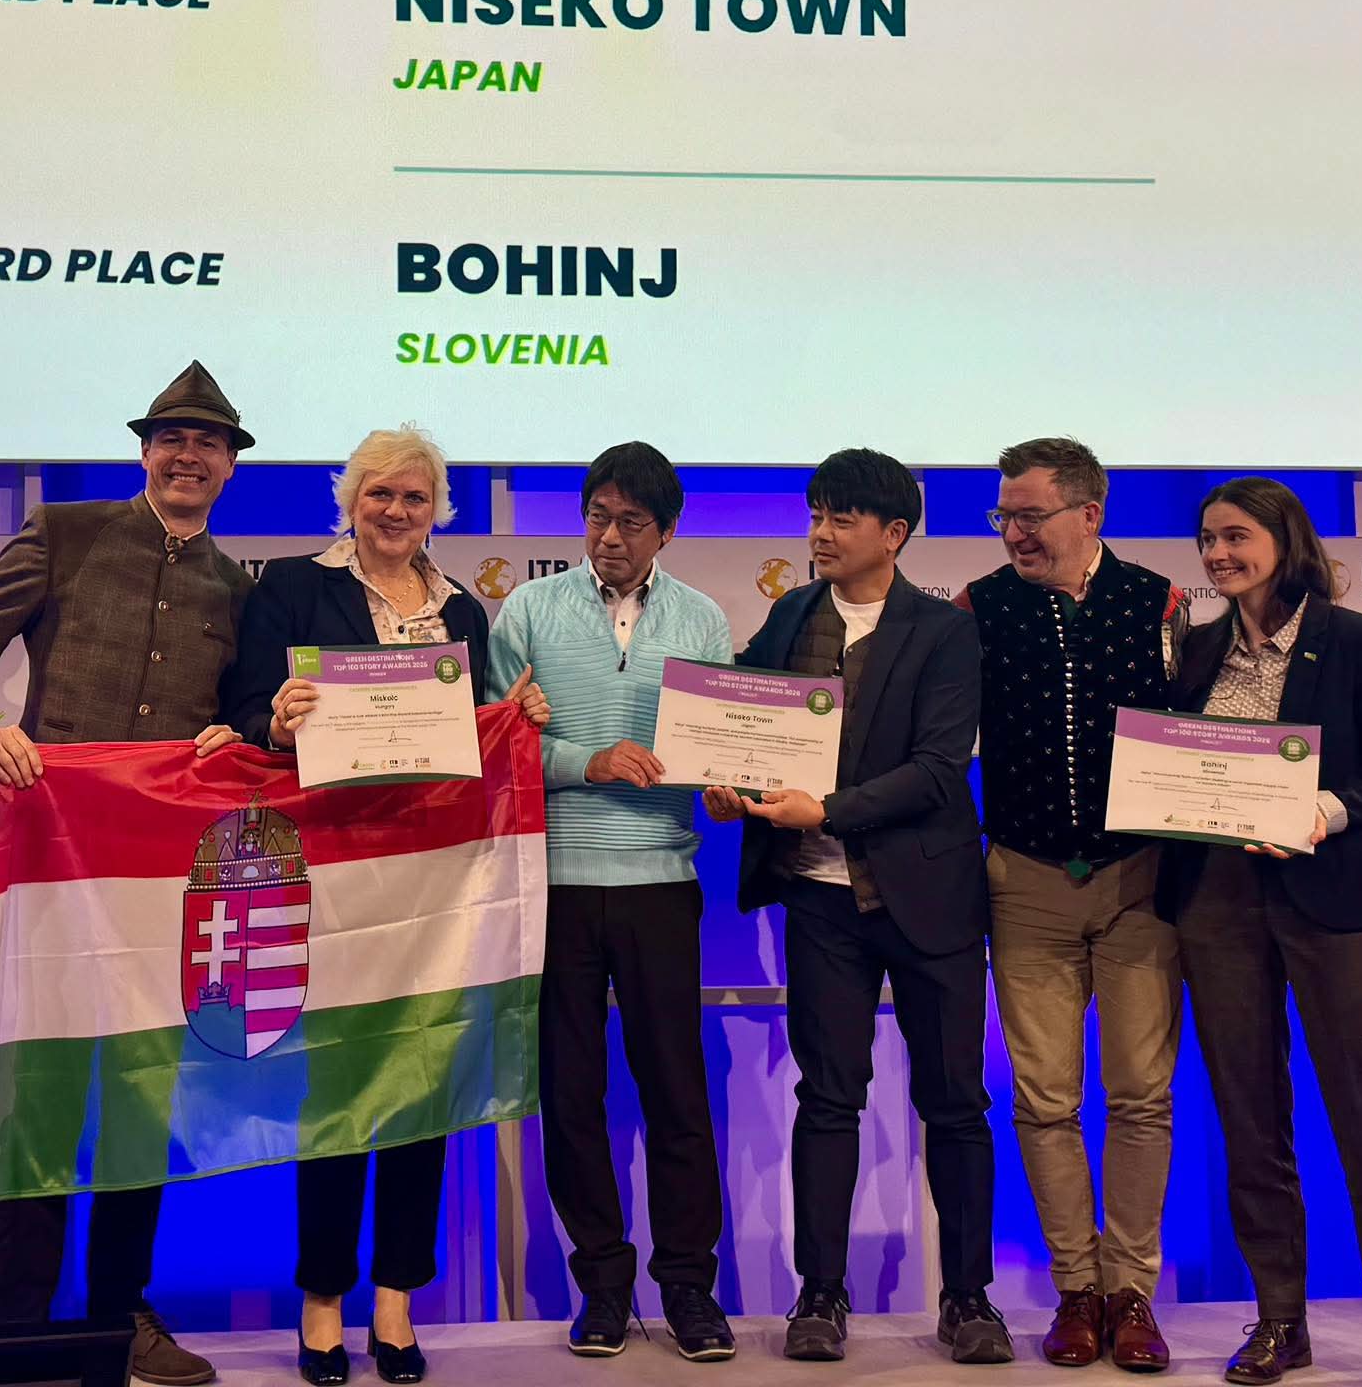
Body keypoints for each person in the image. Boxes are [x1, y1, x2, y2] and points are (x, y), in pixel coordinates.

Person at [204, 425, 549, 1387]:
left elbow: (473, 740)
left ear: (438, 510)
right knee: (338, 1090)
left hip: (435, 882)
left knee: (421, 1089)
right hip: (333, 873)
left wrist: (517, 721)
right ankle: (322, 1302)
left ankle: (396, 1299)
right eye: (379, 494)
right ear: (350, 500)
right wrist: (274, 721)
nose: (396, 512)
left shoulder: (463, 611)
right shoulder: (290, 587)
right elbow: (241, 712)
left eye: (414, 497)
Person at [0, 360, 256, 1387]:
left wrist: (235, 736)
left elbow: (248, 720)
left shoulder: (236, 586)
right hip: (48, 863)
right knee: (35, 1094)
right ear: (145, 452)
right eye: (172, 439)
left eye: (208, 443)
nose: (188, 456)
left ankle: (122, 1315)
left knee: (141, 1103)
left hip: (161, 880)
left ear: (230, 466)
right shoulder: (64, 533)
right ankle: (19, 1337)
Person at [709, 449, 1011, 1367]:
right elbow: (746, 722)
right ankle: (821, 1293)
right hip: (821, 900)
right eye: (816, 515)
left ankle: (969, 1299)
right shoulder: (790, 615)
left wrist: (829, 810)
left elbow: (937, 769)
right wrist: (731, 787)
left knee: (955, 1103)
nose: (821, 533)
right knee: (828, 1099)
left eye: (842, 518)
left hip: (929, 897)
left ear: (894, 534)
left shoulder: (944, 631)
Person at [1158, 479, 1362, 1387]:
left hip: (1338, 906)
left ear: (1284, 541)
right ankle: (1280, 1322)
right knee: (1250, 1123)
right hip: (1218, 905)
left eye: (1236, 537)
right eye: (1208, 540)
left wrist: (1326, 809)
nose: (1218, 555)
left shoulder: (1358, 639)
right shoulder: (1194, 650)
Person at [487, 442, 738, 1363]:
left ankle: (689, 1289)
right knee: (571, 1094)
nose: (610, 537)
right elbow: (497, 742)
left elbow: (719, 745)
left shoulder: (704, 618)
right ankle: (600, 1285)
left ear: (666, 531)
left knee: (677, 1092)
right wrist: (583, 760)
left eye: (632, 522)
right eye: (597, 516)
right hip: (554, 882)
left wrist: (729, 783)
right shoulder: (527, 609)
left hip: (662, 881)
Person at [956, 438, 1185, 1372]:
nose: (1014, 533)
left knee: (1142, 1096)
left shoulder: (1161, 602)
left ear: (1089, 515)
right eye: (1004, 517)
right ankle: (1076, 1294)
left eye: (1031, 516)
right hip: (1025, 883)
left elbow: (1206, 732)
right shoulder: (978, 607)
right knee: (1045, 1100)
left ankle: (1132, 1293)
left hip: (1142, 883)